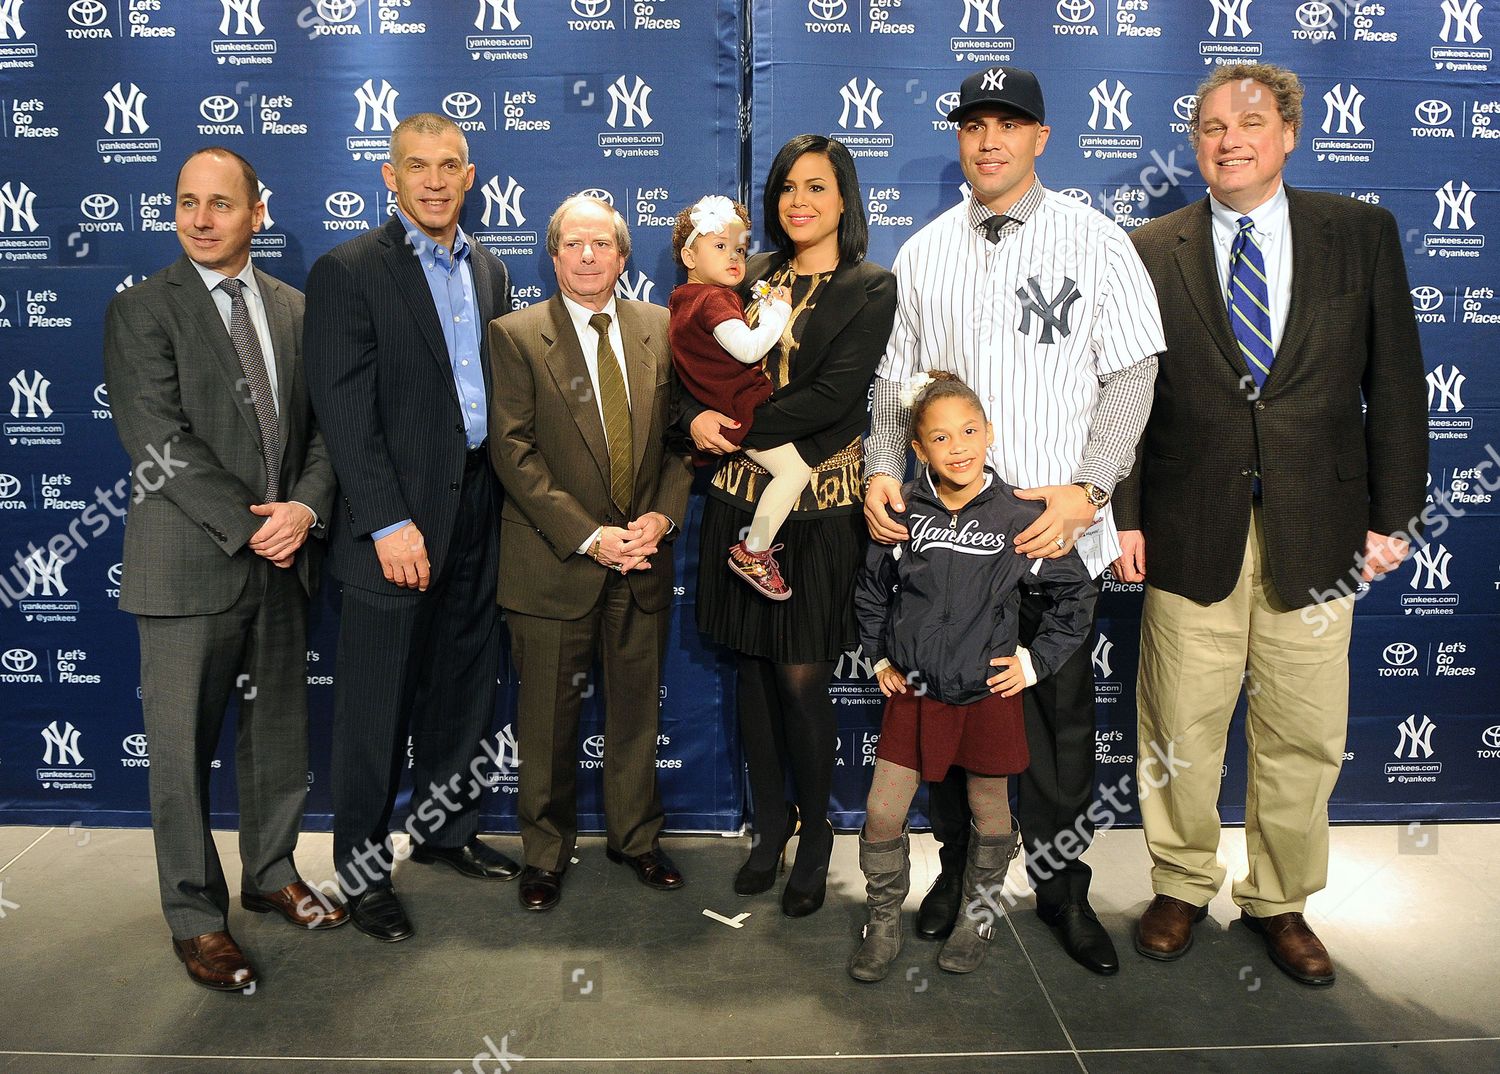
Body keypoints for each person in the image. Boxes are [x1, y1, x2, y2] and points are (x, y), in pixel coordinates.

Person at [1114, 63, 1427, 987]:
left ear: (1289, 133)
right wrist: (1124, 516)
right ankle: (1178, 882)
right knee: (1180, 722)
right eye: (1211, 126)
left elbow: (1399, 386)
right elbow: (1128, 395)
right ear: (1195, 143)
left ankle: (1281, 901)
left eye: (1249, 121)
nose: (1229, 138)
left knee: (1303, 730)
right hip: (1186, 524)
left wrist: (1392, 513)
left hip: (1321, 529)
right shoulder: (1149, 246)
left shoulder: (1359, 234)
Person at [863, 66, 1164, 976]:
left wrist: (1092, 490)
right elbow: (893, 384)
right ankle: (961, 880)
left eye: (1009, 123)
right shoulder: (923, 252)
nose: (988, 139)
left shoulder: (1097, 239)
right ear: (958, 136)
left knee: (1058, 736)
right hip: (951, 540)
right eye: (973, 123)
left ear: (1041, 136)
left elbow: (1132, 373)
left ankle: (1064, 896)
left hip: (1050, 535)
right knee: (951, 719)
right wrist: (882, 466)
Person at [103, 146, 343, 992]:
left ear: (257, 213)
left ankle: (272, 872)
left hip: (285, 559)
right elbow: (157, 442)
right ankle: (196, 918)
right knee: (178, 751)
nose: (200, 219)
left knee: (277, 734)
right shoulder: (142, 309)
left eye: (220, 204)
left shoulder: (298, 310)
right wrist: (256, 528)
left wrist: (305, 511)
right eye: (185, 203)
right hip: (188, 562)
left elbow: (324, 434)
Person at [303, 113, 516, 943]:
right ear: (389, 178)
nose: (434, 180)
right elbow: (345, 413)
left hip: (477, 508)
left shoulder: (489, 271)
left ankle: (446, 831)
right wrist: (388, 521)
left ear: (470, 176)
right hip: (391, 522)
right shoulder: (349, 270)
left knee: (462, 687)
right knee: (375, 707)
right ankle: (360, 873)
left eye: (450, 165)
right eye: (416, 166)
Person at [687, 134, 897, 917]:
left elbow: (837, 399)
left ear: (844, 197)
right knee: (750, 671)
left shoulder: (869, 286)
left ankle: (817, 837)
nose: (798, 201)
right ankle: (769, 829)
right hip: (739, 503)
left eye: (815, 186)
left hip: (815, 513)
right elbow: (694, 362)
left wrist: (738, 425)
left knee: (803, 680)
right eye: (785, 188)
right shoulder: (748, 274)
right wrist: (697, 415)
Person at [849, 372, 1094, 982]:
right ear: (917, 447)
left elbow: (1076, 597)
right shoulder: (903, 510)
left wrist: (1033, 663)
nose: (958, 447)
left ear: (989, 433)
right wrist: (879, 656)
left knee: (991, 813)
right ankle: (881, 920)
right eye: (939, 438)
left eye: (968, 432)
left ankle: (977, 914)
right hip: (917, 691)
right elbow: (872, 591)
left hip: (986, 693)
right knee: (882, 813)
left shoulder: (1019, 516)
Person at [488, 194, 695, 913]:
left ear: (621, 255)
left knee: (636, 714)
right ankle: (544, 854)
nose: (586, 256)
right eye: (572, 244)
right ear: (553, 255)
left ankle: (636, 838)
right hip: (555, 565)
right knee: (545, 722)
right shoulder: (515, 336)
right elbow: (513, 454)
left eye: (600, 245)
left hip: (642, 561)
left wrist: (661, 519)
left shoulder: (662, 330)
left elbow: (680, 440)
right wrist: (590, 535)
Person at [667, 195, 802, 600]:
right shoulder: (713, 300)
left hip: (722, 409)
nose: (734, 257)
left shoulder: (682, 299)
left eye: (740, 249)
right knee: (794, 472)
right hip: (740, 410)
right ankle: (754, 550)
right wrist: (778, 312)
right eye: (720, 246)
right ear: (689, 256)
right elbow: (747, 349)